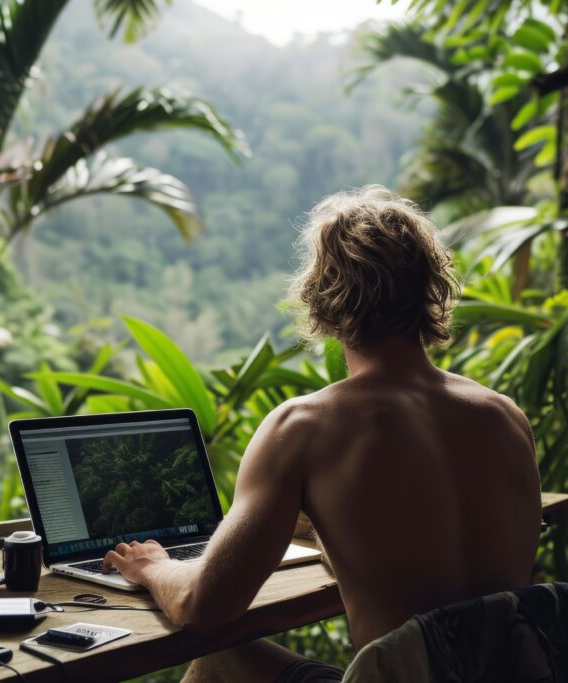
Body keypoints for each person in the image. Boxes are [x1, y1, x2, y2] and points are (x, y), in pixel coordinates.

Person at [103, 186, 542, 681]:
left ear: (324, 295)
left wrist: (151, 566)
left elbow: (204, 602)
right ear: (431, 287)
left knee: (220, 658)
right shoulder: (504, 416)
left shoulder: (305, 427)